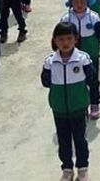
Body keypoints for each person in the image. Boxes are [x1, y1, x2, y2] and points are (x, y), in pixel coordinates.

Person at [41, 22, 96, 181]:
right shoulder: (50, 61)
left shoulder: (83, 59)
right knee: (63, 140)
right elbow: (45, 82)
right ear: (55, 41)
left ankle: (82, 168)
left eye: (69, 38)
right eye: (61, 39)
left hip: (78, 108)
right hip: (59, 109)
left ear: (76, 40)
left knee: (80, 140)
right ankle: (67, 168)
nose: (65, 43)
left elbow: (92, 78)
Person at [60, 0, 100, 120]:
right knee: (79, 81)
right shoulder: (66, 19)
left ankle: (95, 103)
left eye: (82, 1)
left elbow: (99, 34)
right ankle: (82, 105)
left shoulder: (94, 17)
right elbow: (61, 36)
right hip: (73, 56)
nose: (79, 4)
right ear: (71, 3)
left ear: (87, 2)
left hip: (91, 53)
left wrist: (94, 47)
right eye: (76, 1)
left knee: (93, 80)